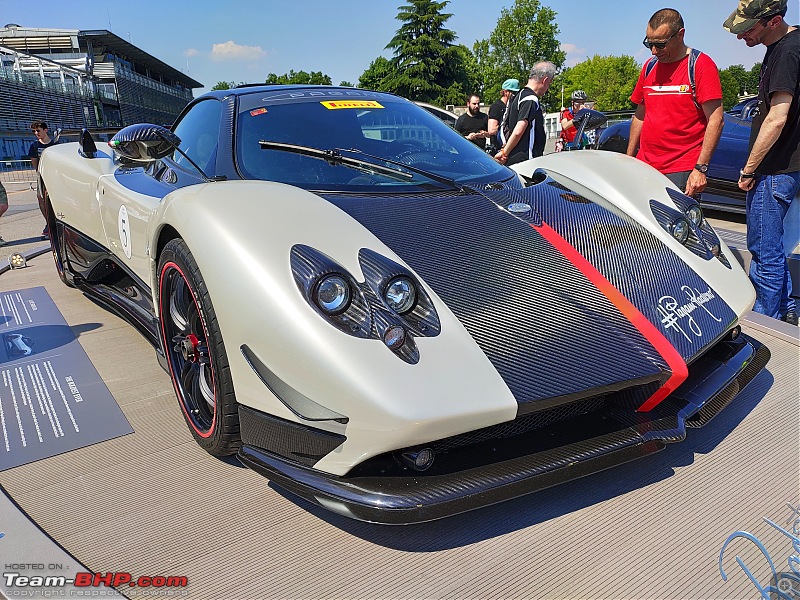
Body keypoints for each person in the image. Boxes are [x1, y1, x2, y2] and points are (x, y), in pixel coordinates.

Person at [723, 0, 799, 325]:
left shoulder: (786, 52)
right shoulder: (785, 46)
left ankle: (766, 328)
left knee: (765, 252)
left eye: (748, 29)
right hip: (787, 168)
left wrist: (749, 169)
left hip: (774, 170)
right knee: (776, 250)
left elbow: (777, 118)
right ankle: (786, 311)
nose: (742, 36)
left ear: (774, 20)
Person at [627, 8, 724, 198]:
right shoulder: (649, 67)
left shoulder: (700, 65)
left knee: (674, 227)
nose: (654, 51)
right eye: (649, 44)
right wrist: (629, 159)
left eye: (661, 44)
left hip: (682, 171)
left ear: (680, 34)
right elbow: (640, 116)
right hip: (644, 168)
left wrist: (700, 169)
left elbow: (716, 120)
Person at [494, 61, 557, 166]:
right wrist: (504, 153)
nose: (548, 88)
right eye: (549, 83)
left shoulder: (518, 96)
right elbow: (519, 130)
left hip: (515, 159)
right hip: (527, 161)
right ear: (545, 80)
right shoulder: (531, 99)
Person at [28, 120, 57, 239]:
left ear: (45, 130)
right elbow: (34, 162)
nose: (36, 133)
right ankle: (49, 223)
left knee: (55, 199)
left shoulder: (55, 144)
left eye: (38, 130)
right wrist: (39, 173)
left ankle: (58, 222)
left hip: (54, 176)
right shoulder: (34, 146)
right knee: (41, 199)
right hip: (42, 176)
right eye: (34, 131)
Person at [487, 79, 520, 154]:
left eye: (517, 93)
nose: (515, 95)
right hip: (499, 149)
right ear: (505, 92)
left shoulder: (514, 106)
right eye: (513, 92)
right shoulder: (496, 107)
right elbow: (491, 130)